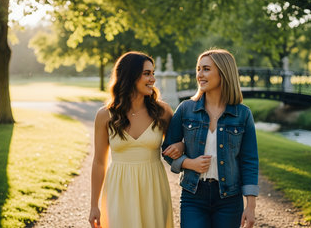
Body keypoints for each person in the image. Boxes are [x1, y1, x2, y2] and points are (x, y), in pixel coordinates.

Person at [162, 49, 259, 228]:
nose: (199, 74)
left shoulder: (243, 114)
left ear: (223, 73)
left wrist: (250, 206)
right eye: (198, 69)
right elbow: (167, 150)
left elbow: (250, 161)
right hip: (193, 195)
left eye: (206, 69)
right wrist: (188, 163)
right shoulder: (185, 109)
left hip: (229, 199)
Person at [88, 51, 177, 228]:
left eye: (152, 73)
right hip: (118, 188)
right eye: (147, 73)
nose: (153, 79)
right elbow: (99, 162)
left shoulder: (163, 112)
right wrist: (93, 205)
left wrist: (180, 145)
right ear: (130, 75)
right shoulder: (105, 115)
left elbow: (178, 144)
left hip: (153, 187)